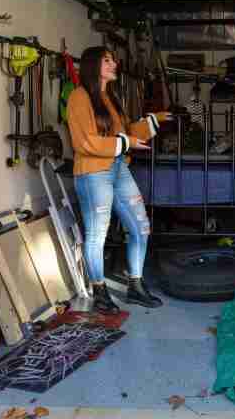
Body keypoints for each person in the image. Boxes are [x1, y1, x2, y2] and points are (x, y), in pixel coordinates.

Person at [67, 46, 173, 312]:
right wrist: (125, 141)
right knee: (97, 234)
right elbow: (85, 142)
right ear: (93, 65)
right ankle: (100, 292)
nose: (114, 64)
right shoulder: (79, 97)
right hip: (93, 172)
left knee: (140, 227)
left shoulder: (110, 98)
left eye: (113, 59)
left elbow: (126, 133)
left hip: (118, 167)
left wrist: (153, 121)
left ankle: (135, 287)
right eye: (107, 60)